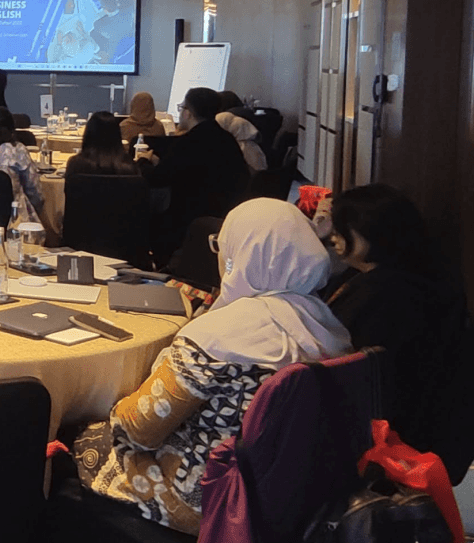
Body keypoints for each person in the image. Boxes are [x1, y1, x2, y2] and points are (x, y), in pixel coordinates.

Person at [70, 199, 351, 534]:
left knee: (85, 436)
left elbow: (139, 430)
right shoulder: (331, 331)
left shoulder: (218, 338)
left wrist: (100, 406)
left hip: (210, 500)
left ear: (238, 254)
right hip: (293, 499)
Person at [325, 184, 470, 470]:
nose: (334, 238)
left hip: (389, 436)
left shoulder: (392, 294)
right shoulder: (377, 278)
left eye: (342, 229)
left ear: (375, 231)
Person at [134, 87, 249, 258]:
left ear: (188, 113)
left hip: (187, 220)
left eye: (182, 108)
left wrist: (143, 161)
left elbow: (156, 179)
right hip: (223, 217)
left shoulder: (188, 143)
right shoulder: (227, 139)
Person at [66, 111, 139, 176]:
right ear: (117, 136)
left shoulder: (75, 165)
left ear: (88, 135)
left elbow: (68, 187)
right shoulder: (130, 167)